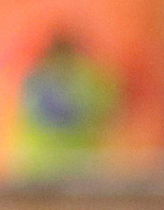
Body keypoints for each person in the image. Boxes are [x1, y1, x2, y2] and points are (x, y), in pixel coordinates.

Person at [11, 28, 117, 178]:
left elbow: (107, 110)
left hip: (77, 165)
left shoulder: (88, 79)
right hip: (40, 166)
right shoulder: (38, 80)